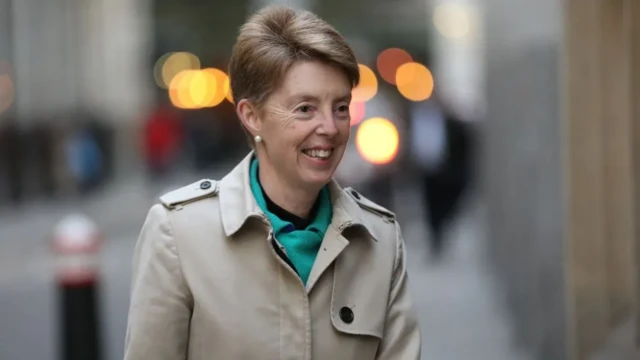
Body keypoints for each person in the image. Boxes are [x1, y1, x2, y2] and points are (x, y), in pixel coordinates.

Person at [124, 6, 421, 360]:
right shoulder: (177, 234)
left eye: (341, 107)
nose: (330, 127)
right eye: (305, 109)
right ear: (252, 116)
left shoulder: (381, 239)